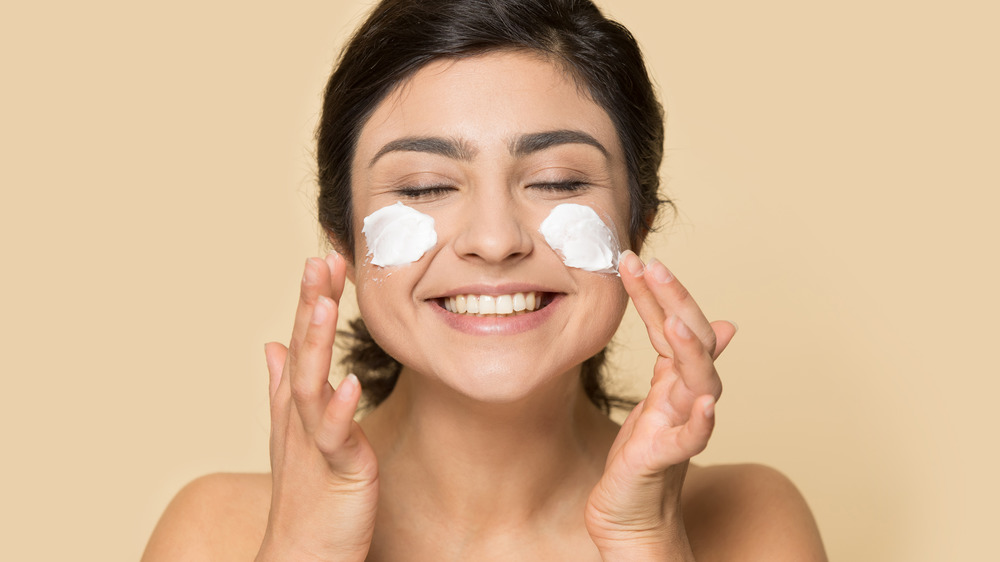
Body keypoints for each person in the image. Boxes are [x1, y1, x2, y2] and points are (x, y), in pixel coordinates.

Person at [142, 0, 827, 559]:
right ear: (342, 242)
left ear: (636, 224)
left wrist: (642, 539)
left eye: (557, 181)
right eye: (427, 186)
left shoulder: (749, 526)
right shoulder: (215, 534)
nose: (496, 240)